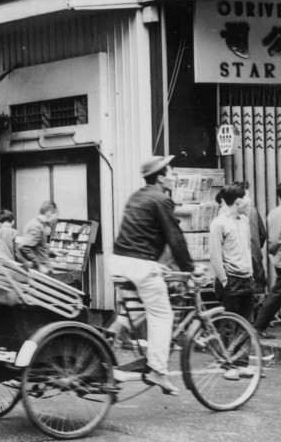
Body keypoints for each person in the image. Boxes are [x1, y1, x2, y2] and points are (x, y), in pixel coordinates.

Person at [112, 155, 198, 395]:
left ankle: (108, 341)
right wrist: (190, 268)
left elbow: (138, 235)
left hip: (121, 261)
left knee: (137, 308)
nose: (173, 177)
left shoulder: (137, 196)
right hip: (140, 264)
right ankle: (157, 371)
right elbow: (175, 237)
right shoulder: (161, 200)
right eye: (170, 173)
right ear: (161, 178)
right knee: (163, 315)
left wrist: (156, 264)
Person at [209, 183, 256, 322]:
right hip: (231, 281)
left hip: (247, 279)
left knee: (246, 326)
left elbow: (247, 249)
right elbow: (215, 255)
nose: (250, 201)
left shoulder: (245, 220)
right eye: (248, 197)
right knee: (229, 327)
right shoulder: (218, 223)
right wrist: (224, 281)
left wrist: (251, 274)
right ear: (238, 201)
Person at [255, 181, 281, 338]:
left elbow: (271, 238)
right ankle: (259, 325)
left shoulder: (273, 213)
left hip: (278, 259)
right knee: (278, 294)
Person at [237, 181, 269, 291]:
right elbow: (262, 234)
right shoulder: (251, 210)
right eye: (247, 196)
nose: (250, 200)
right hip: (254, 262)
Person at [16, 201, 57, 271]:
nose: (55, 219)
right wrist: (39, 265)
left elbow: (36, 248)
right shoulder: (37, 226)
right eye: (55, 215)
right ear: (49, 213)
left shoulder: (34, 223)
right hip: (42, 270)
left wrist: (53, 252)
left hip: (41, 269)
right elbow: (24, 246)